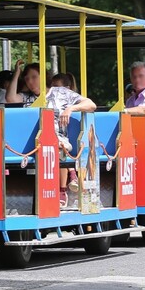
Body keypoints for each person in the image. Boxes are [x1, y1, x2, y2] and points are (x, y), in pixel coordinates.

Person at [46, 73, 95, 208]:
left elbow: (91, 104)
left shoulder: (65, 96)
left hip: (61, 139)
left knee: (59, 146)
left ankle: (62, 188)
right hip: (45, 138)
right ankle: (72, 174)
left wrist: (70, 109)